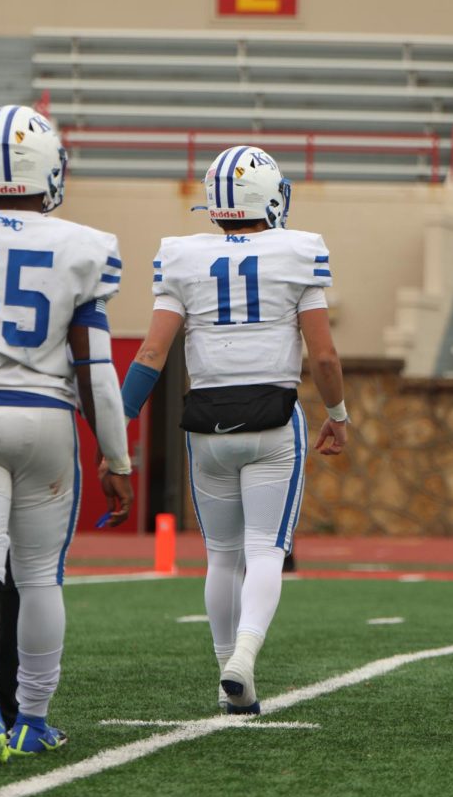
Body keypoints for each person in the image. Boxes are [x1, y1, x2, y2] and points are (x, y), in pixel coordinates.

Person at [119, 145, 348, 715]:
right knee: (265, 551)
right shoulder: (298, 250)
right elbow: (323, 357)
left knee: (221, 556)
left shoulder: (181, 255)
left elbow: (151, 353)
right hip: (272, 416)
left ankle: (227, 664)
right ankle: (243, 658)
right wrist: (338, 416)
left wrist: (114, 425)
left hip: (206, 422)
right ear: (268, 196)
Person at [0, 105, 134, 756]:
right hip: (46, 416)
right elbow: (96, 368)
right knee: (41, 576)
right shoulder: (80, 244)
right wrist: (117, 458)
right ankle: (32, 720)